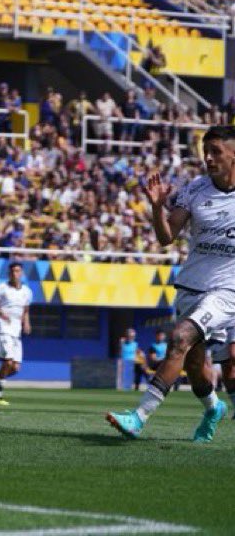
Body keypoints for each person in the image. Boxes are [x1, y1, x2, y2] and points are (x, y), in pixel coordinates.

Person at [107, 125, 235, 442]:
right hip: (191, 287)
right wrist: (156, 207)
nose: (208, 158)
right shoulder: (195, 190)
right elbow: (167, 237)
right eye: (206, 151)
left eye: (216, 151)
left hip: (228, 290)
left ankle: (138, 417)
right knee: (194, 365)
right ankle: (214, 408)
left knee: (182, 339)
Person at [0, 262, 32, 405]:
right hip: (3, 329)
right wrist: (0, 312)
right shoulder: (2, 288)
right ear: (9, 274)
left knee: (14, 368)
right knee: (7, 361)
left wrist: (26, 323)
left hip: (16, 332)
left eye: (17, 271)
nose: (15, 274)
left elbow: (25, 310)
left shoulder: (27, 291)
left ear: (21, 273)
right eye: (12, 271)